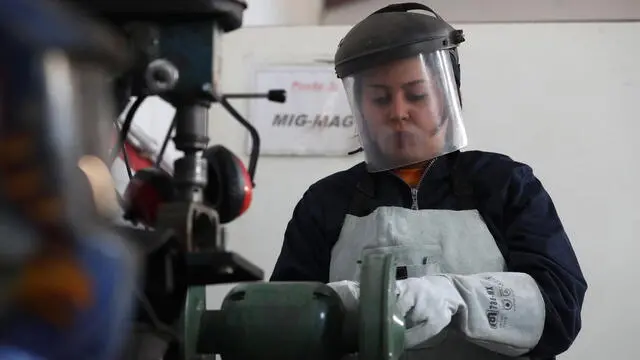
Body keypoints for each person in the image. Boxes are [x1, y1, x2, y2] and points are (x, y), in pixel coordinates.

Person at [270, 3, 587, 360]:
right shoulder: (326, 201)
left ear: (447, 95)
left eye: (417, 94)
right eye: (379, 98)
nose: (398, 111)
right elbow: (280, 326)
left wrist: (455, 297)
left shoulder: (504, 183)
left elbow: (560, 309)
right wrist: (336, 308)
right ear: (359, 106)